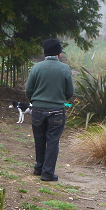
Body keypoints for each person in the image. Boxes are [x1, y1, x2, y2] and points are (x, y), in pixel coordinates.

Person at [25, 38, 74, 182]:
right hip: (57, 110)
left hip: (38, 109)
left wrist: (35, 101)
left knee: (39, 139)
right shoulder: (65, 69)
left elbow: (28, 90)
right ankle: (47, 173)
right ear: (59, 54)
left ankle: (39, 168)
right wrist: (60, 98)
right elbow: (70, 92)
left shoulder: (36, 67)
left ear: (44, 53)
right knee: (53, 141)